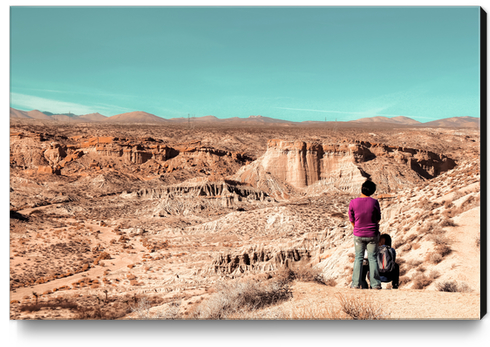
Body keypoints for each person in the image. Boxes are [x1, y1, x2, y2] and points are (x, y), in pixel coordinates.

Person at [349, 180, 381, 289]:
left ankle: (355, 284)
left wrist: (356, 228)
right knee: (372, 258)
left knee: (358, 258)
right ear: (372, 191)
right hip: (372, 234)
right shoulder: (374, 202)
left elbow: (351, 219)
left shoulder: (353, 202)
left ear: (362, 188)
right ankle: (375, 284)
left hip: (358, 234)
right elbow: (378, 218)